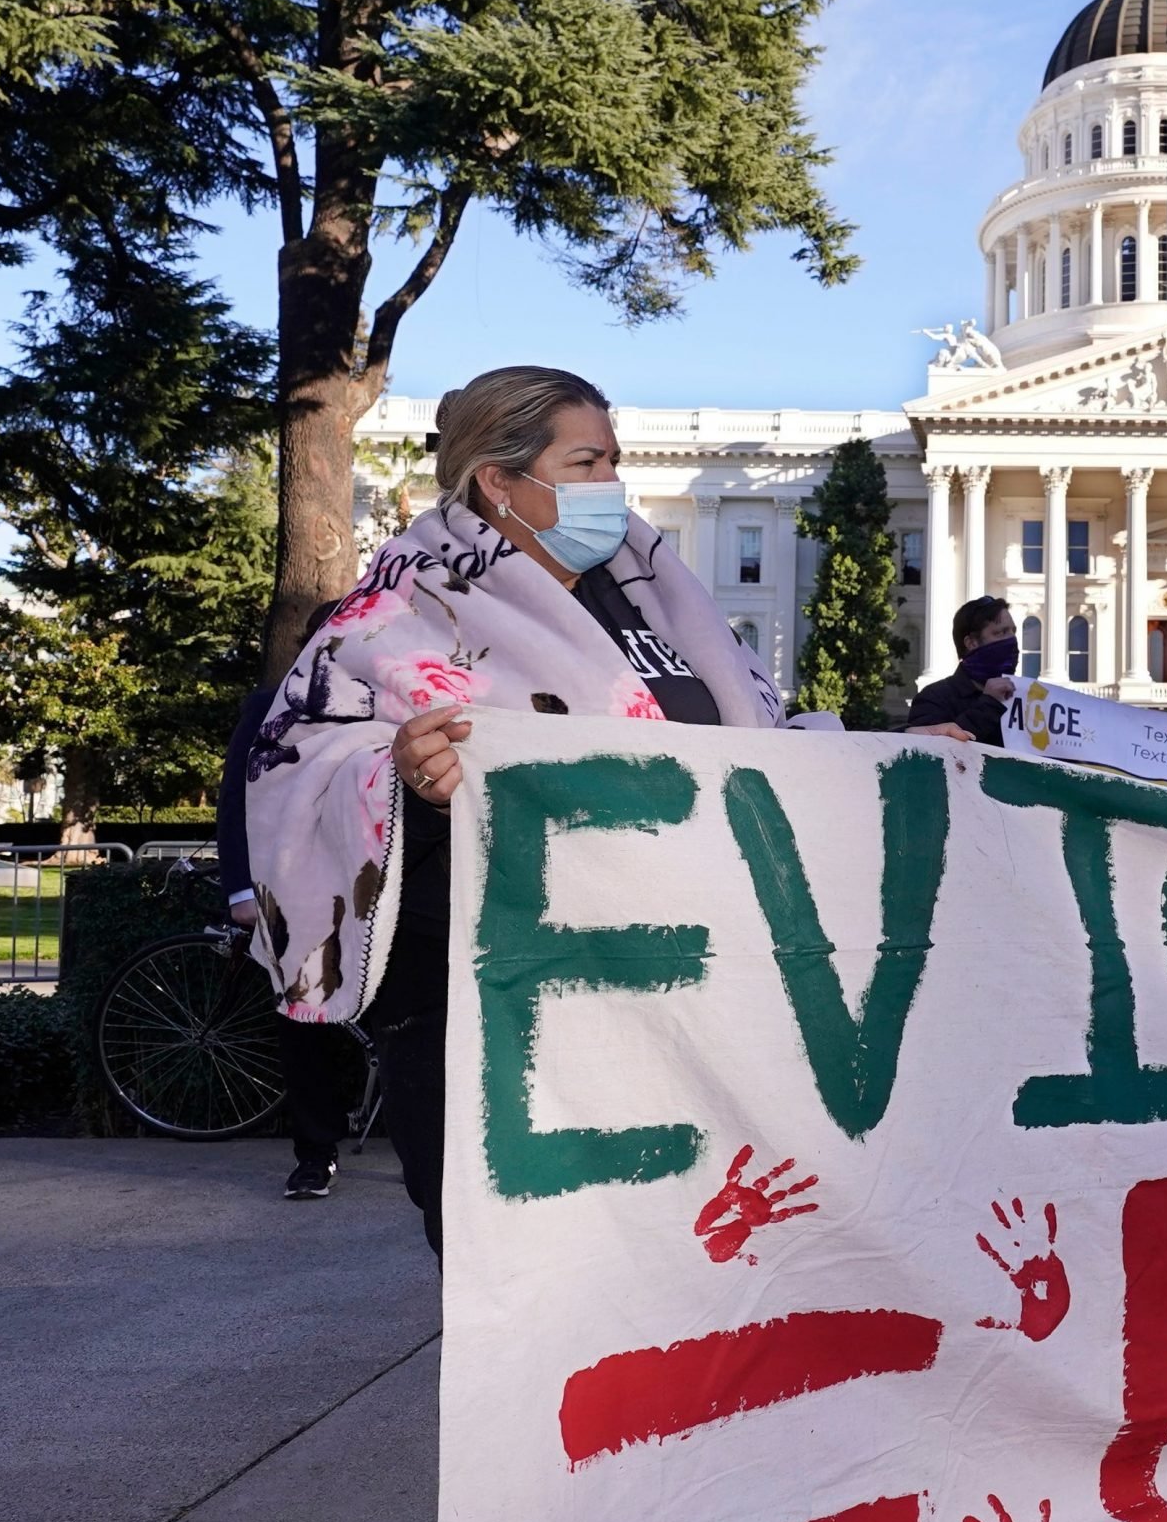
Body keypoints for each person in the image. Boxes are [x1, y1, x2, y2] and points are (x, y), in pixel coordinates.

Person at [245, 366, 806, 1256]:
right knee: (540, 1282)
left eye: (614, 462)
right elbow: (296, 765)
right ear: (498, 482)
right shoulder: (396, 611)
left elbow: (752, 739)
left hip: (675, 1006)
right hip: (488, 1013)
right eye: (586, 463)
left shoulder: (650, 594)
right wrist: (407, 785)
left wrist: (902, 752)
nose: (611, 487)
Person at [215, 609, 365, 1200]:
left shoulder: (387, 700)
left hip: (375, 884)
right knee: (304, 1021)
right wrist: (241, 890)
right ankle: (315, 1153)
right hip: (298, 887)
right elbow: (235, 798)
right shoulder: (271, 705)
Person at [905, 595, 1017, 746]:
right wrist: (989, 704)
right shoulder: (934, 698)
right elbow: (934, 754)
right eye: (1001, 632)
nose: (1012, 640)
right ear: (971, 643)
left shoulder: (1023, 698)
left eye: (1013, 632)